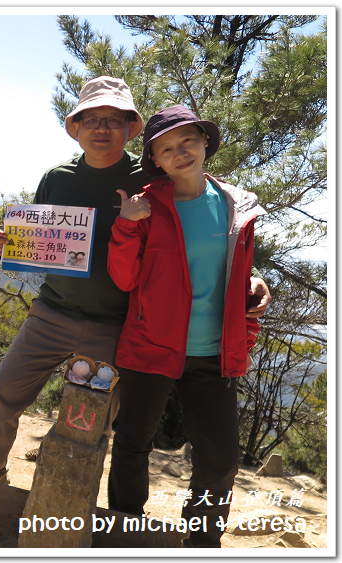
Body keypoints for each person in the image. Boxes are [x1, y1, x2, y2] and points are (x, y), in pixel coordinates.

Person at [0, 77, 272, 517]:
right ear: (76, 127)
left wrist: (248, 277)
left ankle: (69, 504)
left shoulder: (153, 179)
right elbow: (43, 243)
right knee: (2, 394)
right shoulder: (57, 178)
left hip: (116, 326)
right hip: (51, 312)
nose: (102, 128)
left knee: (91, 422)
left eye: (114, 120)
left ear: (131, 129)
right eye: (92, 119)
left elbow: (202, 236)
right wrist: (7, 245)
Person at [106, 105, 266, 547]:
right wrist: (125, 224)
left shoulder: (237, 206)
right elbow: (124, 278)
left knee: (221, 460)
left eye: (188, 141)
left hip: (214, 352)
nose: (181, 152)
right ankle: (124, 534)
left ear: (205, 143)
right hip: (151, 345)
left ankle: (200, 543)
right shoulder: (148, 206)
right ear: (155, 160)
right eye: (167, 148)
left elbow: (237, 270)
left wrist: (255, 284)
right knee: (133, 444)